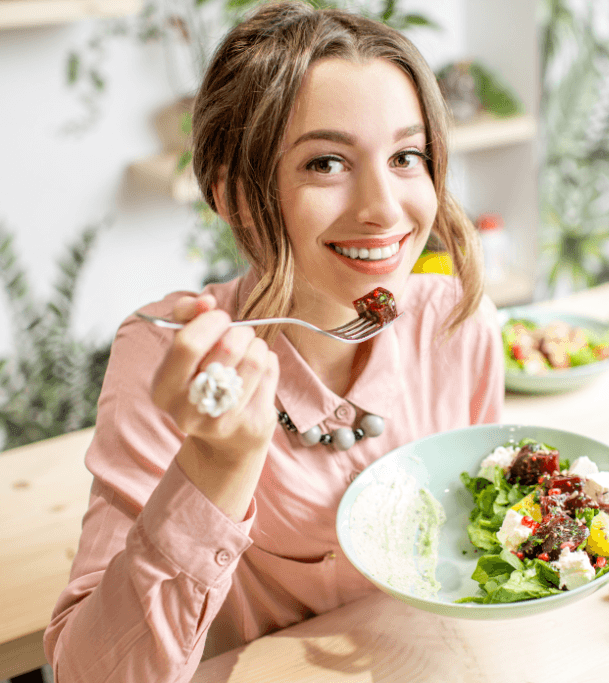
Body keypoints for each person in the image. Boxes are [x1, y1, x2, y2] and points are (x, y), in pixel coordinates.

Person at [43, 2, 504, 681]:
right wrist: (217, 464)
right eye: (326, 162)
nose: (383, 207)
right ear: (236, 197)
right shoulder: (170, 359)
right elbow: (91, 674)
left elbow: (476, 547)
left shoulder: (455, 324)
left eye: (407, 156)